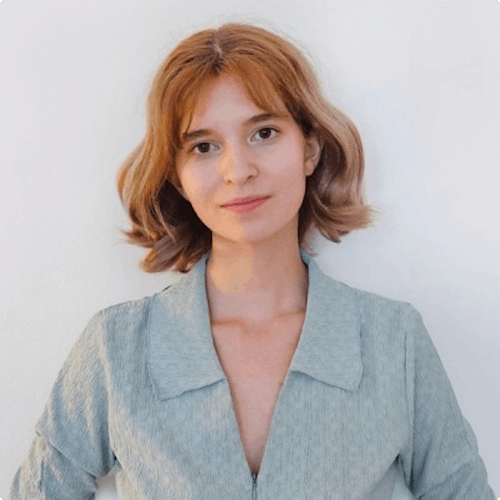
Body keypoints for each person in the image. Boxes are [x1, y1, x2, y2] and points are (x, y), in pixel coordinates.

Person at [10, 22, 495, 500]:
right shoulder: (116, 349)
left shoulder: (395, 342)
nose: (238, 170)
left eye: (264, 133)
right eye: (204, 147)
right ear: (177, 176)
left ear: (309, 149)